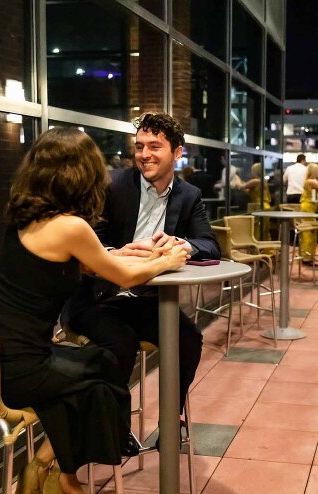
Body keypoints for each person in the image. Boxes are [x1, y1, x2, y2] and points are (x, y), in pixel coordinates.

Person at [0, 127, 188, 494]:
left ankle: (55, 473)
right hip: (19, 365)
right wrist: (166, 260)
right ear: (81, 173)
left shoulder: (23, 214)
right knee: (103, 370)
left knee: (84, 376)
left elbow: (86, 265)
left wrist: (124, 252)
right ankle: (51, 470)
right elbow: (120, 277)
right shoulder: (70, 226)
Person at [61, 112, 219, 451]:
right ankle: (113, 428)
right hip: (97, 297)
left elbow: (210, 244)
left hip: (145, 299)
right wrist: (119, 254)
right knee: (122, 341)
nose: (144, 154)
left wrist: (183, 244)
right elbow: (89, 238)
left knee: (188, 338)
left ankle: (170, 419)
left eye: (155, 147)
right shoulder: (113, 184)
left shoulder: (189, 195)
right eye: (139, 147)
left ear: (177, 153)